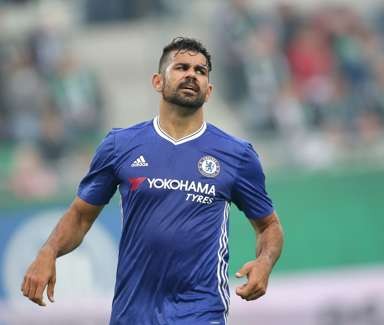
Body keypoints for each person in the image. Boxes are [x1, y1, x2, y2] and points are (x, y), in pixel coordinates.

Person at [21, 37, 284, 325]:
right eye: (181, 67)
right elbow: (80, 216)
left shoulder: (236, 154)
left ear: (209, 91)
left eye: (200, 71)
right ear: (158, 81)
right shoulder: (119, 146)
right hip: (133, 313)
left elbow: (269, 226)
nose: (191, 75)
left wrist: (265, 262)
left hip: (200, 312)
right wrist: (48, 251)